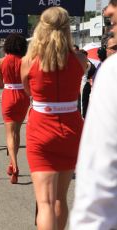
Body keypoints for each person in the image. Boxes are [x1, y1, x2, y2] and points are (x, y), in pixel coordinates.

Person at [20, 7, 86, 229]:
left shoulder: (29, 61)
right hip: (72, 127)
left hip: (41, 128)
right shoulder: (79, 59)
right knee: (60, 198)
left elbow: (28, 90)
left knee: (45, 202)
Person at [70, 1, 117, 228]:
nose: (107, 11)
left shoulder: (110, 72)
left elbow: (99, 181)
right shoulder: (105, 72)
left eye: (114, 4)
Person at [0, 33, 29, 184]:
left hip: (9, 95)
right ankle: (12, 163)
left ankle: (14, 165)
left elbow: (0, 84)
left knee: (9, 134)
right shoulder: (25, 61)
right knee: (17, 132)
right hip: (22, 96)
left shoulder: (1, 62)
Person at [79, 49, 96, 119]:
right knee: (85, 101)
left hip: (84, 83)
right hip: (87, 82)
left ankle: (83, 117)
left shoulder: (86, 63)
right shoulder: (90, 63)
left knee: (83, 102)